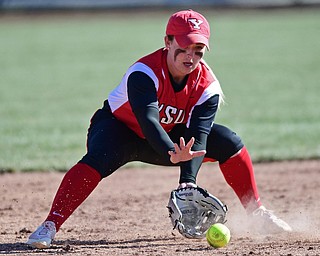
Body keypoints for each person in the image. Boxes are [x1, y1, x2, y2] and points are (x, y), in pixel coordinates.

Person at [26, 9, 292, 249]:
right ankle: (50, 224)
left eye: (198, 49)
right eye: (185, 46)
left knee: (228, 142)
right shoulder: (144, 72)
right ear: (168, 42)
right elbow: (148, 120)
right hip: (120, 130)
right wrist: (169, 152)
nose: (191, 56)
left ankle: (257, 214)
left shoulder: (208, 87)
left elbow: (198, 134)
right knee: (97, 159)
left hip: (171, 138)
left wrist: (187, 181)